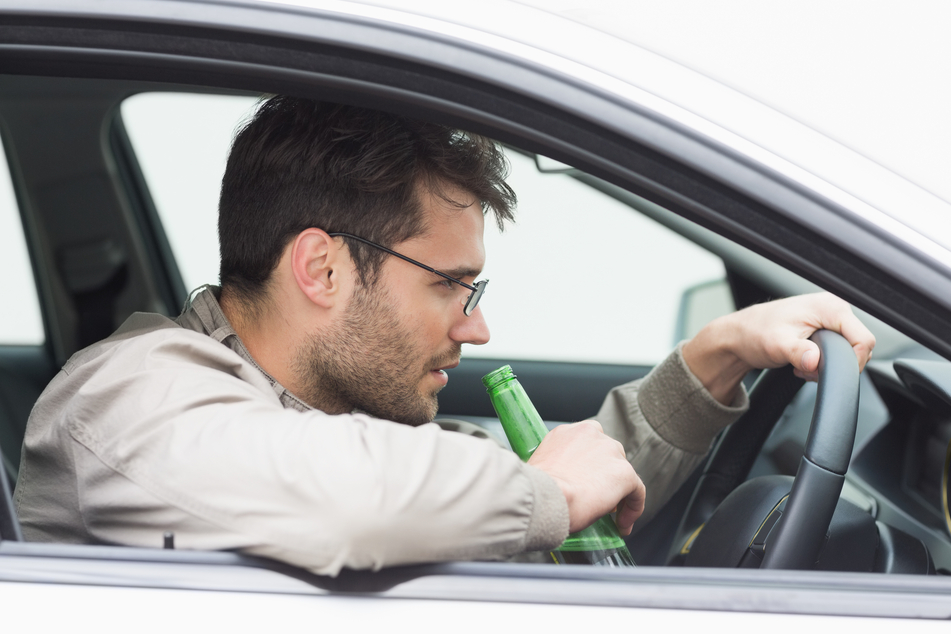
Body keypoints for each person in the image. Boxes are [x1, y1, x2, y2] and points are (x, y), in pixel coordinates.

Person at [13, 97, 875, 575]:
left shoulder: (334, 412)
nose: (478, 323)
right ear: (320, 269)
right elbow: (346, 496)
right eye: (448, 285)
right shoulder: (126, 400)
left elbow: (539, 486)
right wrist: (543, 496)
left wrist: (712, 358)